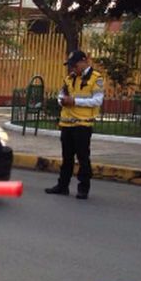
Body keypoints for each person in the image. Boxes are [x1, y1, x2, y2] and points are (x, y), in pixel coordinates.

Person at [44, 50, 104, 200]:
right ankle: (62, 186)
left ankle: (83, 188)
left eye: (74, 65)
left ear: (84, 62)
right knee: (67, 158)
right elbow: (60, 95)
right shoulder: (69, 78)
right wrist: (62, 100)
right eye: (71, 66)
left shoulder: (96, 79)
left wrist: (75, 101)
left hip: (83, 125)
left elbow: (97, 100)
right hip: (67, 124)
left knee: (83, 158)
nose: (72, 69)